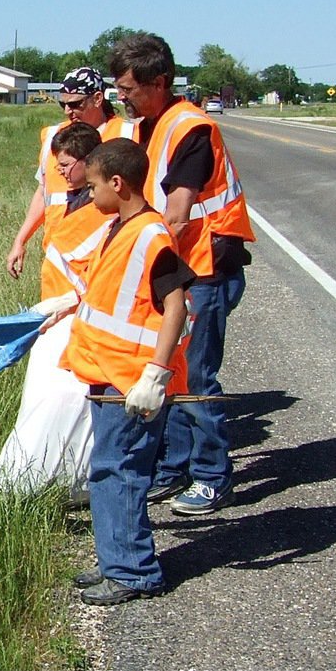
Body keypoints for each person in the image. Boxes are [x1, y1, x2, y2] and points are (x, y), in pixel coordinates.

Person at [108, 33, 256, 515]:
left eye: (129, 87)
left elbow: (174, 213)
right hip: (177, 266)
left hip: (206, 266)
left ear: (160, 81)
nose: (122, 96)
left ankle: (214, 476)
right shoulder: (146, 125)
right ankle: (174, 467)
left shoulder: (190, 128)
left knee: (195, 377)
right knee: (168, 369)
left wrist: (132, 255)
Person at [48, 138, 195, 605]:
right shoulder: (120, 226)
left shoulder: (151, 234)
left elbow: (176, 306)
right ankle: (116, 559)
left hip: (131, 379)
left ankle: (134, 573)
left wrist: (156, 375)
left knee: (122, 471)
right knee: (107, 470)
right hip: (107, 370)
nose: (89, 195)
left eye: (93, 186)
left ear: (117, 183)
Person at [0, 121, 113, 501]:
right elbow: (43, 197)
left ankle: (70, 480)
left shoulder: (104, 207)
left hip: (80, 319)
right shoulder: (72, 194)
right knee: (42, 397)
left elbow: (101, 273)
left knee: (67, 401)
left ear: (89, 162)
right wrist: (20, 241)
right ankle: (42, 477)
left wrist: (71, 306)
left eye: (65, 165)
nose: (59, 173)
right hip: (56, 311)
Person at [5, 67, 129, 281]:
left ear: (98, 99)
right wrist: (20, 241)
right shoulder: (55, 137)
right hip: (60, 257)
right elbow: (44, 193)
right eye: (63, 104)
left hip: (108, 258)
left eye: (75, 104)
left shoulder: (126, 135)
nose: (67, 111)